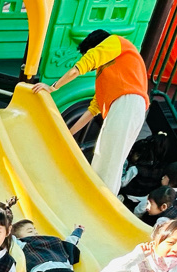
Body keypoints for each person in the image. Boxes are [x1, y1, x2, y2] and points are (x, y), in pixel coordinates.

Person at [32, 29, 149, 194]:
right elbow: (93, 110)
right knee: (109, 156)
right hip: (128, 105)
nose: (94, 67)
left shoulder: (114, 41)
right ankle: (102, 196)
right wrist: (68, 133)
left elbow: (78, 68)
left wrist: (52, 87)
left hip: (127, 102)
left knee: (109, 157)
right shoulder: (110, 73)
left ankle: (103, 198)